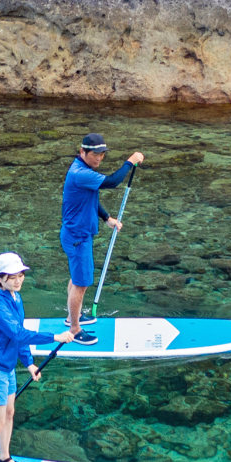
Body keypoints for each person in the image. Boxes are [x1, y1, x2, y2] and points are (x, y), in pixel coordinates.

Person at [0, 252, 74, 462]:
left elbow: (19, 332)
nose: (18, 280)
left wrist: (29, 363)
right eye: (12, 276)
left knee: (9, 413)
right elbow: (17, 334)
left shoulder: (14, 297)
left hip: (6, 366)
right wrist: (54, 337)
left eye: (21, 275)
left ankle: (4, 458)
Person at [60, 132, 144, 344]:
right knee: (81, 283)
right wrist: (130, 162)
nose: (99, 158)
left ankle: (73, 316)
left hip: (75, 235)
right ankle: (75, 329)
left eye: (102, 154)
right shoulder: (81, 173)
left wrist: (107, 218)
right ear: (82, 152)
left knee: (77, 277)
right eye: (94, 154)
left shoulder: (83, 170)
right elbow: (113, 182)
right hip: (78, 237)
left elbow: (90, 199)